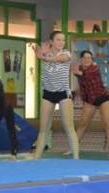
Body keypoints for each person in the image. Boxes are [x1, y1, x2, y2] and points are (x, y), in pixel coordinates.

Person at [32, 31, 79, 159]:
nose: (61, 42)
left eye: (63, 40)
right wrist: (41, 52)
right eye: (58, 40)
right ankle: (36, 157)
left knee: (68, 126)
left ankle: (76, 158)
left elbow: (60, 59)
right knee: (43, 128)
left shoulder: (66, 54)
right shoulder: (45, 54)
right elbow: (37, 51)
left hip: (63, 93)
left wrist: (44, 57)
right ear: (51, 42)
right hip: (48, 93)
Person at [72, 50, 109, 157]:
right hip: (89, 100)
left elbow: (88, 75)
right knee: (82, 124)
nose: (87, 60)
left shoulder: (95, 67)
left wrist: (77, 72)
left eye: (89, 58)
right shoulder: (79, 69)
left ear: (92, 60)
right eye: (85, 58)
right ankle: (72, 149)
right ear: (81, 59)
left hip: (103, 97)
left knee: (108, 124)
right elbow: (81, 84)